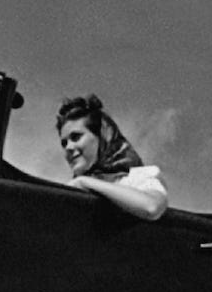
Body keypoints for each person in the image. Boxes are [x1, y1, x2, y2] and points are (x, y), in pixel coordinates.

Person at [55, 93, 168, 221]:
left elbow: (151, 207)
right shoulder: (71, 191)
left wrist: (85, 182)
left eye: (76, 137)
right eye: (64, 143)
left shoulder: (138, 178)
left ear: (102, 137)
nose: (68, 147)